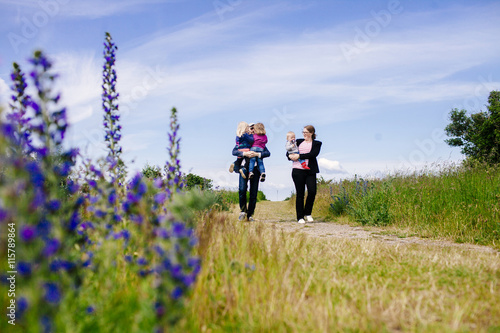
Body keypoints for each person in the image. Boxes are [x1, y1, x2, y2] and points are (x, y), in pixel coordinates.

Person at [232, 122, 271, 221]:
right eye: (251, 128)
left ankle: (250, 215)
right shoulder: (244, 140)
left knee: (253, 193)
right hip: (244, 169)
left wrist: (257, 154)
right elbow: (234, 151)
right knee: (242, 190)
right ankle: (243, 211)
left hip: (255, 170)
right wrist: (245, 153)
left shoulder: (258, 141)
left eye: (254, 128)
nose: (252, 130)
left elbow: (267, 153)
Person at [287, 125, 322, 224]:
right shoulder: (298, 141)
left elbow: (313, 154)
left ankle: (308, 213)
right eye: (303, 132)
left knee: (312, 191)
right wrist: (290, 156)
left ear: (311, 133)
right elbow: (288, 151)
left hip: (310, 170)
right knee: (300, 194)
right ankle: (300, 217)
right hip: (298, 170)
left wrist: (299, 155)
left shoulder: (317, 143)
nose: (304, 134)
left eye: (306, 132)